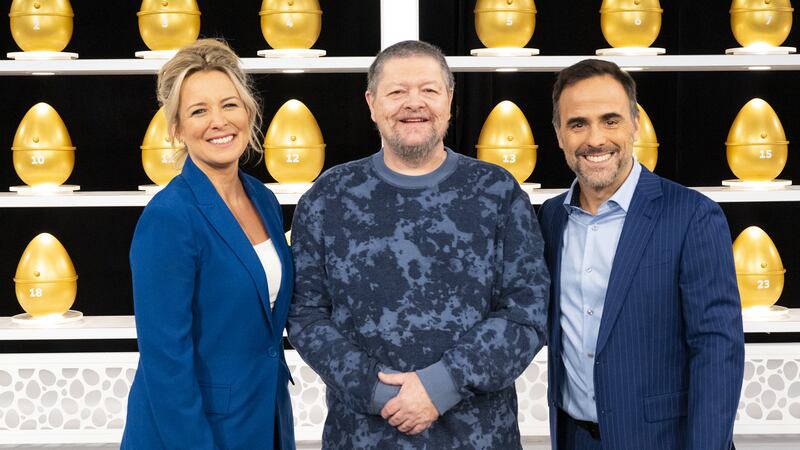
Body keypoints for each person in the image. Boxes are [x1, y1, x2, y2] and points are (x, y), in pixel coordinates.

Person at [288, 40, 549, 449]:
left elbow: (527, 312)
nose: (414, 103)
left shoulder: (497, 192)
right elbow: (305, 316)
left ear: (449, 99)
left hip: (479, 438)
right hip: (362, 437)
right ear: (372, 104)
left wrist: (442, 385)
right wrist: (378, 391)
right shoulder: (328, 197)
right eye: (397, 91)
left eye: (429, 90)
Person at [539, 58, 744, 450]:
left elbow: (717, 350)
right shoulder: (550, 218)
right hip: (574, 438)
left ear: (635, 124)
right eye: (578, 124)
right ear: (559, 134)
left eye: (610, 120)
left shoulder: (692, 215)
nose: (595, 138)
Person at [121, 39, 295, 450]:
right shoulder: (169, 217)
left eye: (229, 104)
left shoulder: (263, 199)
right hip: (193, 431)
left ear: (249, 111)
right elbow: (166, 361)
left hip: (263, 419)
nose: (219, 121)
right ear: (177, 128)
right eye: (199, 111)